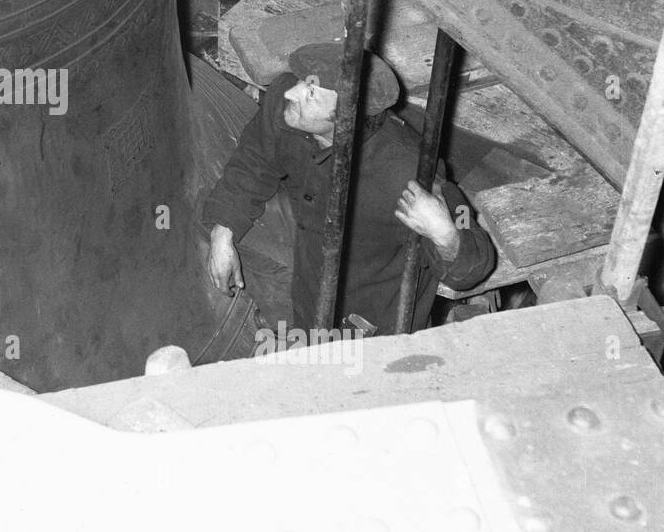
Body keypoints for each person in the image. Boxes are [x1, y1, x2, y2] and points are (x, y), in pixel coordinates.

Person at [202, 41, 495, 337]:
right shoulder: (287, 103)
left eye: (311, 93)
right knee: (211, 216)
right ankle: (288, 321)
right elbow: (255, 159)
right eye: (303, 81)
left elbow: (473, 266)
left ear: (346, 117)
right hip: (308, 256)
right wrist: (223, 231)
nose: (293, 92)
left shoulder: (405, 171)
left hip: (367, 311)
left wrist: (444, 233)